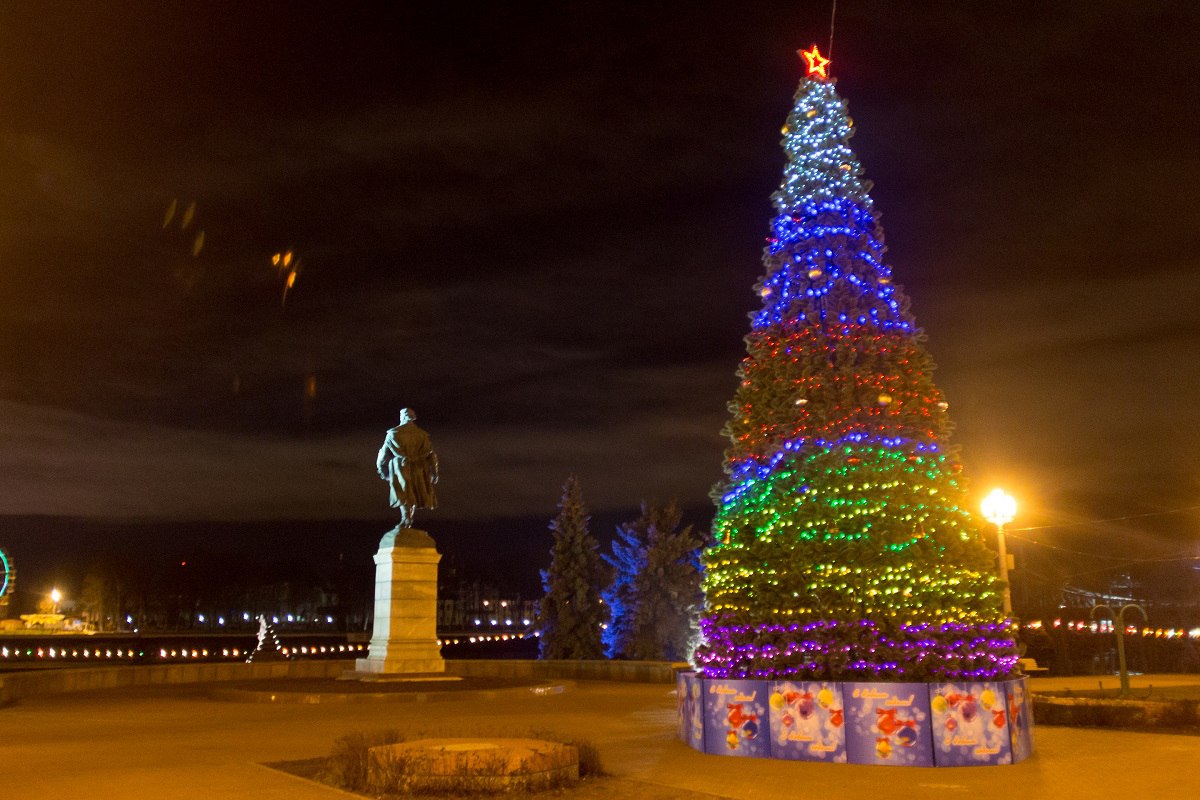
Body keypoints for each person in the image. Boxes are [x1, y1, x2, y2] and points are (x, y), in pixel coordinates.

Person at [376, 408, 439, 528]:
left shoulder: (394, 433)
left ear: (402, 417)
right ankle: (408, 520)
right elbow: (431, 454)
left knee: (404, 493)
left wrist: (381, 468)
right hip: (419, 467)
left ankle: (406, 519)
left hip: (400, 467)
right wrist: (435, 472)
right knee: (414, 492)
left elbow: (383, 454)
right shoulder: (422, 435)